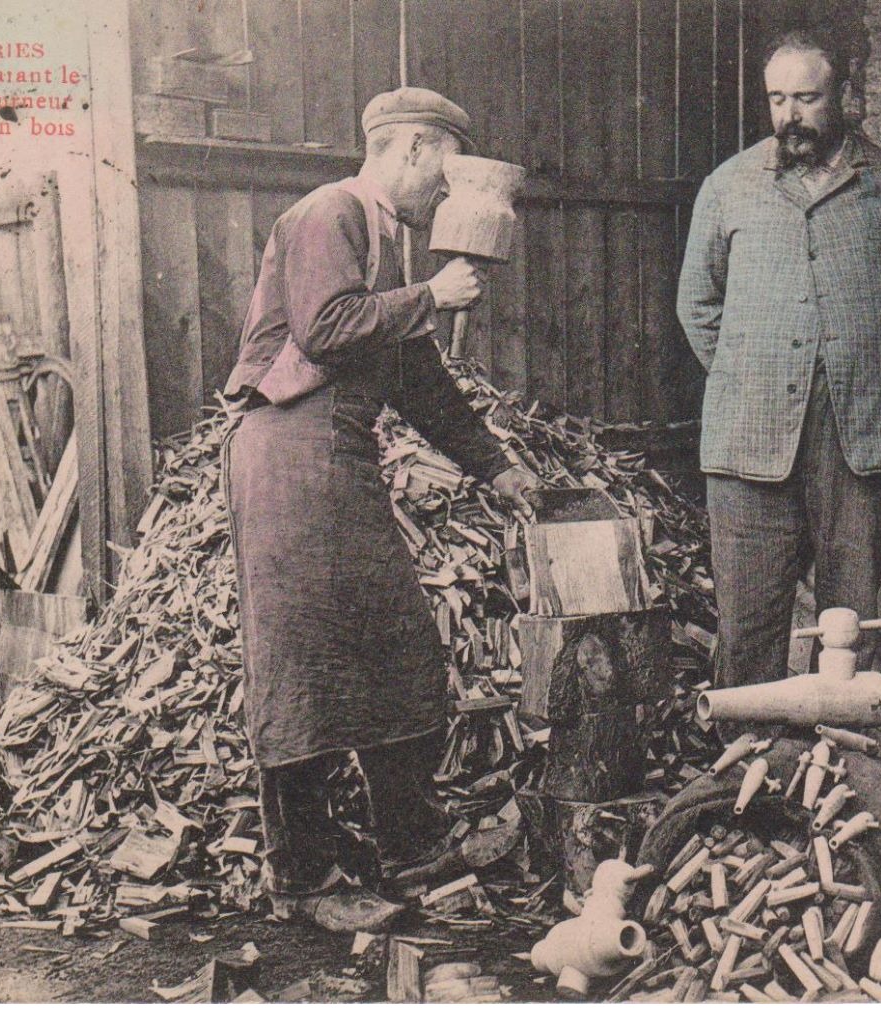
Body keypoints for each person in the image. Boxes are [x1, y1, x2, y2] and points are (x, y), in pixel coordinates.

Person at [221, 87, 539, 934]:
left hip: (337, 457)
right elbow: (328, 329)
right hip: (289, 457)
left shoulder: (390, 245)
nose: (447, 195)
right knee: (304, 667)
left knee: (397, 646)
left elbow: (417, 379)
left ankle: (413, 844)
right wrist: (432, 293)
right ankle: (305, 878)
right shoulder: (331, 212)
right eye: (444, 172)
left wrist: (495, 466)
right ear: (408, 148)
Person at [676, 29, 881, 694]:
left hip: (858, 439)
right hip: (749, 439)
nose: (790, 115)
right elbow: (696, 305)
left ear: (843, 97)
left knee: (847, 630)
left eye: (806, 97)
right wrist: (752, 377)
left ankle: (834, 775)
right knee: (747, 629)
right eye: (777, 100)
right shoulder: (728, 186)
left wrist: (861, 372)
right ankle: (748, 781)